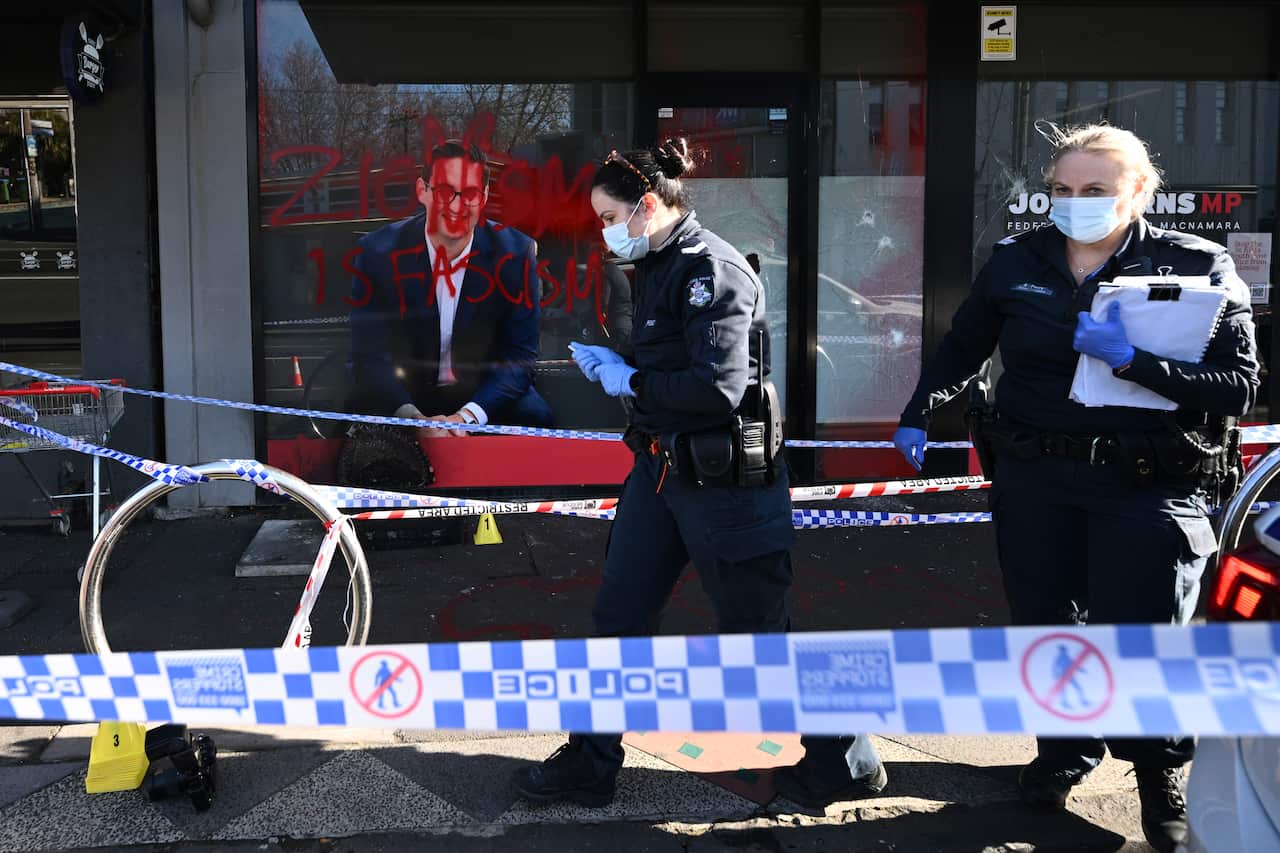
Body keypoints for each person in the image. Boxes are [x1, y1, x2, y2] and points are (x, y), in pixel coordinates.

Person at [892, 124, 1258, 853]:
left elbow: (1240, 387)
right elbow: (965, 344)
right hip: (1037, 477)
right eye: (1063, 189)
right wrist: (920, 407)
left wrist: (1136, 362)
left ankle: (1158, 776)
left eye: (1095, 190)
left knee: (1144, 635)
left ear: (1138, 193)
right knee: (1048, 624)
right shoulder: (1017, 261)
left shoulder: (1196, 266)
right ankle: (1063, 753)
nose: (1075, 203)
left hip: (1145, 481)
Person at [510, 140, 886, 809]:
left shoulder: (712, 267)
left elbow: (716, 387)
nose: (602, 230)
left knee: (758, 633)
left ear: (646, 206)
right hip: (659, 474)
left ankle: (844, 755)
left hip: (726, 491)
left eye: (607, 216)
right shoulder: (655, 265)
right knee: (618, 618)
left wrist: (630, 377)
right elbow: (664, 359)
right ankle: (591, 761)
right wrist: (615, 361)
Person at [348, 139, 552, 438]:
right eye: (445, 191)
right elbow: (368, 357)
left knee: (537, 418)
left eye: (469, 193)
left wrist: (466, 418)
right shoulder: (377, 253)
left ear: (483, 198)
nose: (456, 206)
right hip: (403, 396)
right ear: (423, 191)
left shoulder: (515, 254)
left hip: (484, 395)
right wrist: (413, 420)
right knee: (351, 423)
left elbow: (519, 359)